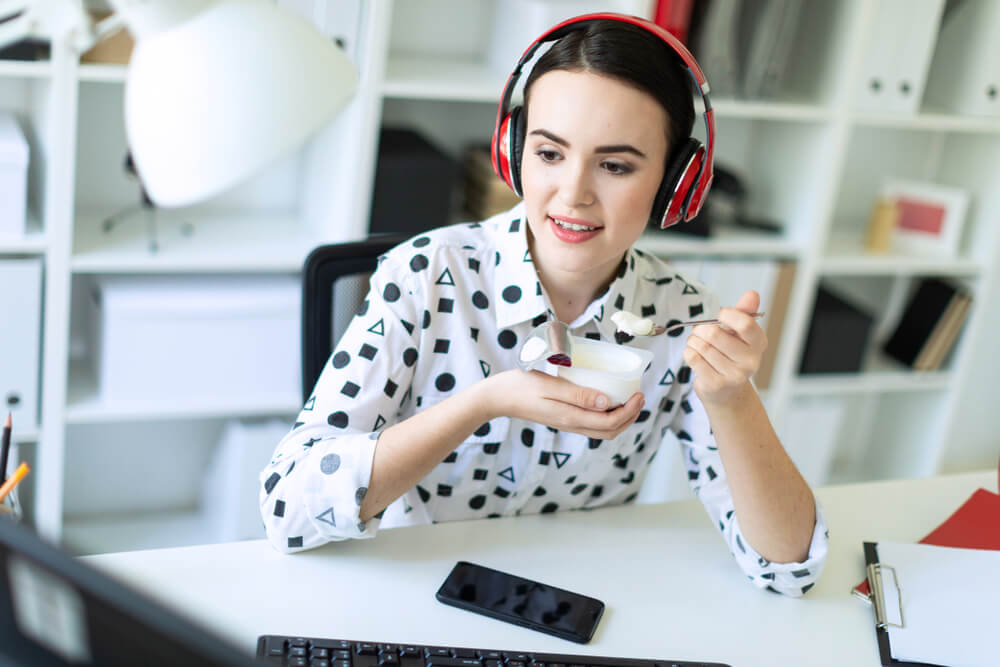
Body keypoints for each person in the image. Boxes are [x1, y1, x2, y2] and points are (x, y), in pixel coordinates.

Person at [260, 14, 828, 597]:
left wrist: (732, 401)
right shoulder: (425, 276)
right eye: (550, 153)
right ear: (513, 151)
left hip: (577, 608)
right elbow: (286, 508)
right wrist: (484, 402)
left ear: (673, 181)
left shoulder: (681, 315)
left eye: (615, 165)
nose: (573, 192)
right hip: (412, 595)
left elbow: (788, 566)